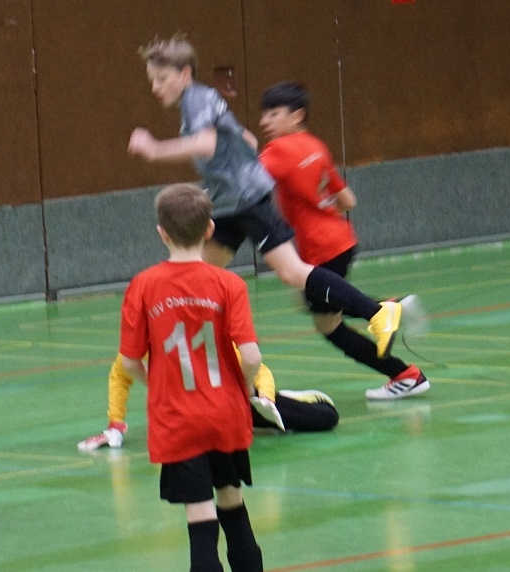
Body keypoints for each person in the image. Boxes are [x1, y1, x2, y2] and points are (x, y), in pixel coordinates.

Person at [127, 34, 408, 369]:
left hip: (246, 200)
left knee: (292, 272)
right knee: (197, 272)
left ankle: (378, 313)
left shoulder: (195, 100)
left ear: (185, 73)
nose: (156, 87)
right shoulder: (202, 100)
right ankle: (191, 358)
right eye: (152, 81)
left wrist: (155, 149)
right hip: (230, 203)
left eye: (162, 78)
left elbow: (205, 144)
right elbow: (246, 138)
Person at [119, 182, 263, 571]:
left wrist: (158, 385)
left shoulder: (143, 286)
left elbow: (129, 362)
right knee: (232, 503)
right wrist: (244, 388)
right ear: (210, 229)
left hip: (178, 419)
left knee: (200, 519)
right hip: (225, 413)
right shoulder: (229, 284)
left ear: (162, 233)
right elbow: (251, 355)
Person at [258, 81, 429, 400]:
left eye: (273, 113)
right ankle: (387, 311)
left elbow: (246, 183)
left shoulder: (278, 151)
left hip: (320, 248)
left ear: (296, 115)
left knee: (328, 325)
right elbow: (348, 200)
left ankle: (404, 372)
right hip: (342, 240)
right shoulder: (316, 146)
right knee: (313, 305)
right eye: (264, 114)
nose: (264, 121)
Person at [77, 357, 339, 451]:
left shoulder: (208, 331)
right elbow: (120, 372)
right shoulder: (147, 339)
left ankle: (289, 398)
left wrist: (266, 398)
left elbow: (257, 367)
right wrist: (116, 423)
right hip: (204, 415)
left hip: (240, 401)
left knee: (326, 417)